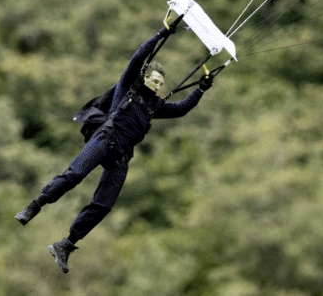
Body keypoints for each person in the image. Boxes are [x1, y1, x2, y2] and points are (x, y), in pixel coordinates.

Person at [14, 24, 213, 273]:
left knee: (104, 204)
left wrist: (201, 89)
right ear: (144, 78)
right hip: (104, 138)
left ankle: (66, 244)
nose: (157, 85)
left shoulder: (155, 108)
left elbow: (182, 108)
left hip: (121, 157)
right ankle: (36, 205)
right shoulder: (128, 86)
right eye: (154, 80)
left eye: (161, 83)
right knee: (74, 175)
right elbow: (138, 57)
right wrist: (161, 34)